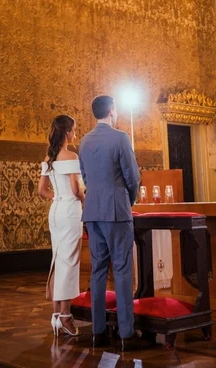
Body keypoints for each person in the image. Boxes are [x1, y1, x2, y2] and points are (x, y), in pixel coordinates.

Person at [78, 95, 140, 350]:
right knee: (123, 269)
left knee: (98, 271)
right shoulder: (120, 137)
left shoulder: (84, 141)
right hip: (116, 211)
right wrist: (129, 200)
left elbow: (85, 176)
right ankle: (126, 333)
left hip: (92, 210)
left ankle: (98, 332)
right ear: (112, 111)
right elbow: (132, 176)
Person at [38, 114, 85, 338]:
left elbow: (41, 190)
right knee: (70, 261)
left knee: (58, 259)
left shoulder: (50, 157)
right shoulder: (70, 156)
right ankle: (65, 316)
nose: (75, 133)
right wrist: (88, 200)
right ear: (67, 132)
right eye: (74, 129)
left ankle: (57, 314)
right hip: (70, 211)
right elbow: (77, 190)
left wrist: (57, 198)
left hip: (56, 210)